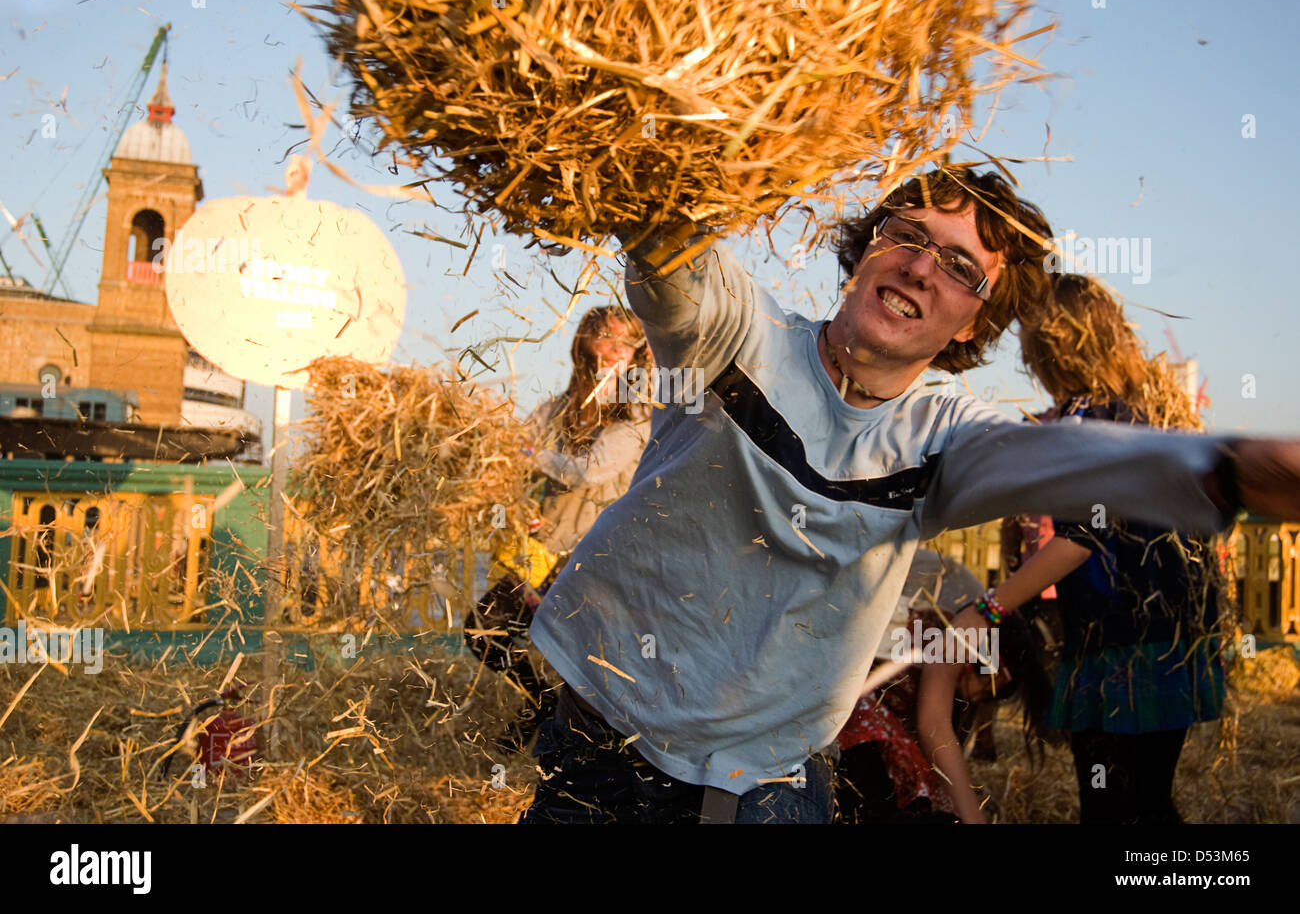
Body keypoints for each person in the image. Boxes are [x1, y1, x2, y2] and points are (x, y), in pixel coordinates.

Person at [518, 164, 1300, 824]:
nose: (923, 267)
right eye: (907, 235)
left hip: (764, 789)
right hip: (601, 752)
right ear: (864, 251)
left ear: (972, 324)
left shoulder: (944, 434)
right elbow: (667, 248)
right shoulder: (735, 336)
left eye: (961, 268)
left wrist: (1229, 467)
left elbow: (1061, 457)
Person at [936, 274, 1227, 823]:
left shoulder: (1085, 425)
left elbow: (1079, 540)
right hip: (1174, 647)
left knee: (1109, 807)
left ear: (1054, 349)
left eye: (1030, 349)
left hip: (1118, 653)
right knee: (1149, 800)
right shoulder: (1148, 416)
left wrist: (986, 607)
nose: (1029, 364)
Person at [464, 305, 652, 751]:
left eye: (625, 343)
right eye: (604, 338)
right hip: (545, 549)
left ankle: (569, 748)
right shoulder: (558, 408)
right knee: (482, 629)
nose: (613, 350)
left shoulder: (636, 414)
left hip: (598, 559)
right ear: (582, 345)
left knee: (584, 662)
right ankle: (541, 703)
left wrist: (531, 452)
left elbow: (585, 471)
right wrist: (515, 500)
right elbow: (508, 456)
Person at [835, 550, 1048, 824]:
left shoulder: (961, 620)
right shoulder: (958, 637)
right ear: (981, 661)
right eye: (985, 687)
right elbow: (933, 726)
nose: (979, 697)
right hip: (846, 714)